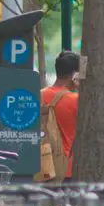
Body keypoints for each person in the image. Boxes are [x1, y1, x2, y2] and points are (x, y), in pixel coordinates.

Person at [40, 51, 80, 180]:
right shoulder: (77, 100)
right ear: (75, 75)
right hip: (66, 169)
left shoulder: (39, 95)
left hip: (42, 167)